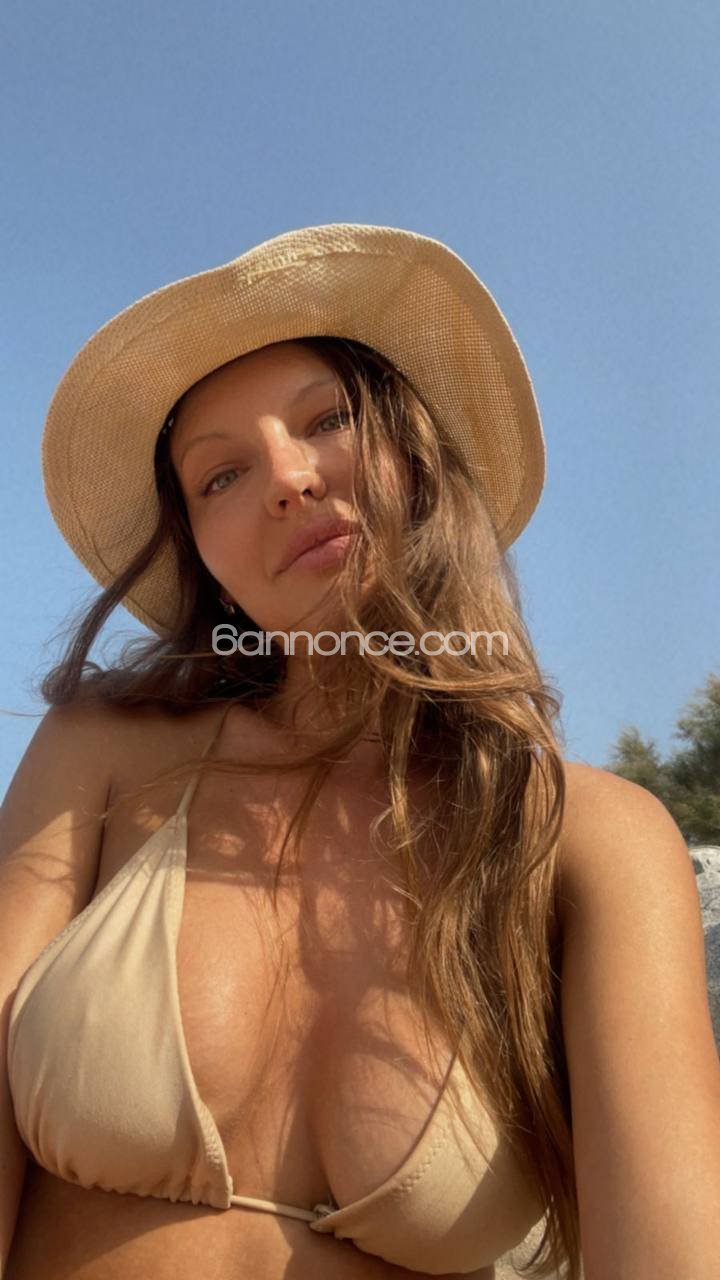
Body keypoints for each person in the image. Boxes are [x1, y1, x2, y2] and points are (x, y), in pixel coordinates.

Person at [1, 224, 718, 1280]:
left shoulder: (590, 842)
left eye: (328, 419)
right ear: (201, 556)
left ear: (415, 458)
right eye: (221, 475)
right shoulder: (102, 751)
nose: (287, 479)